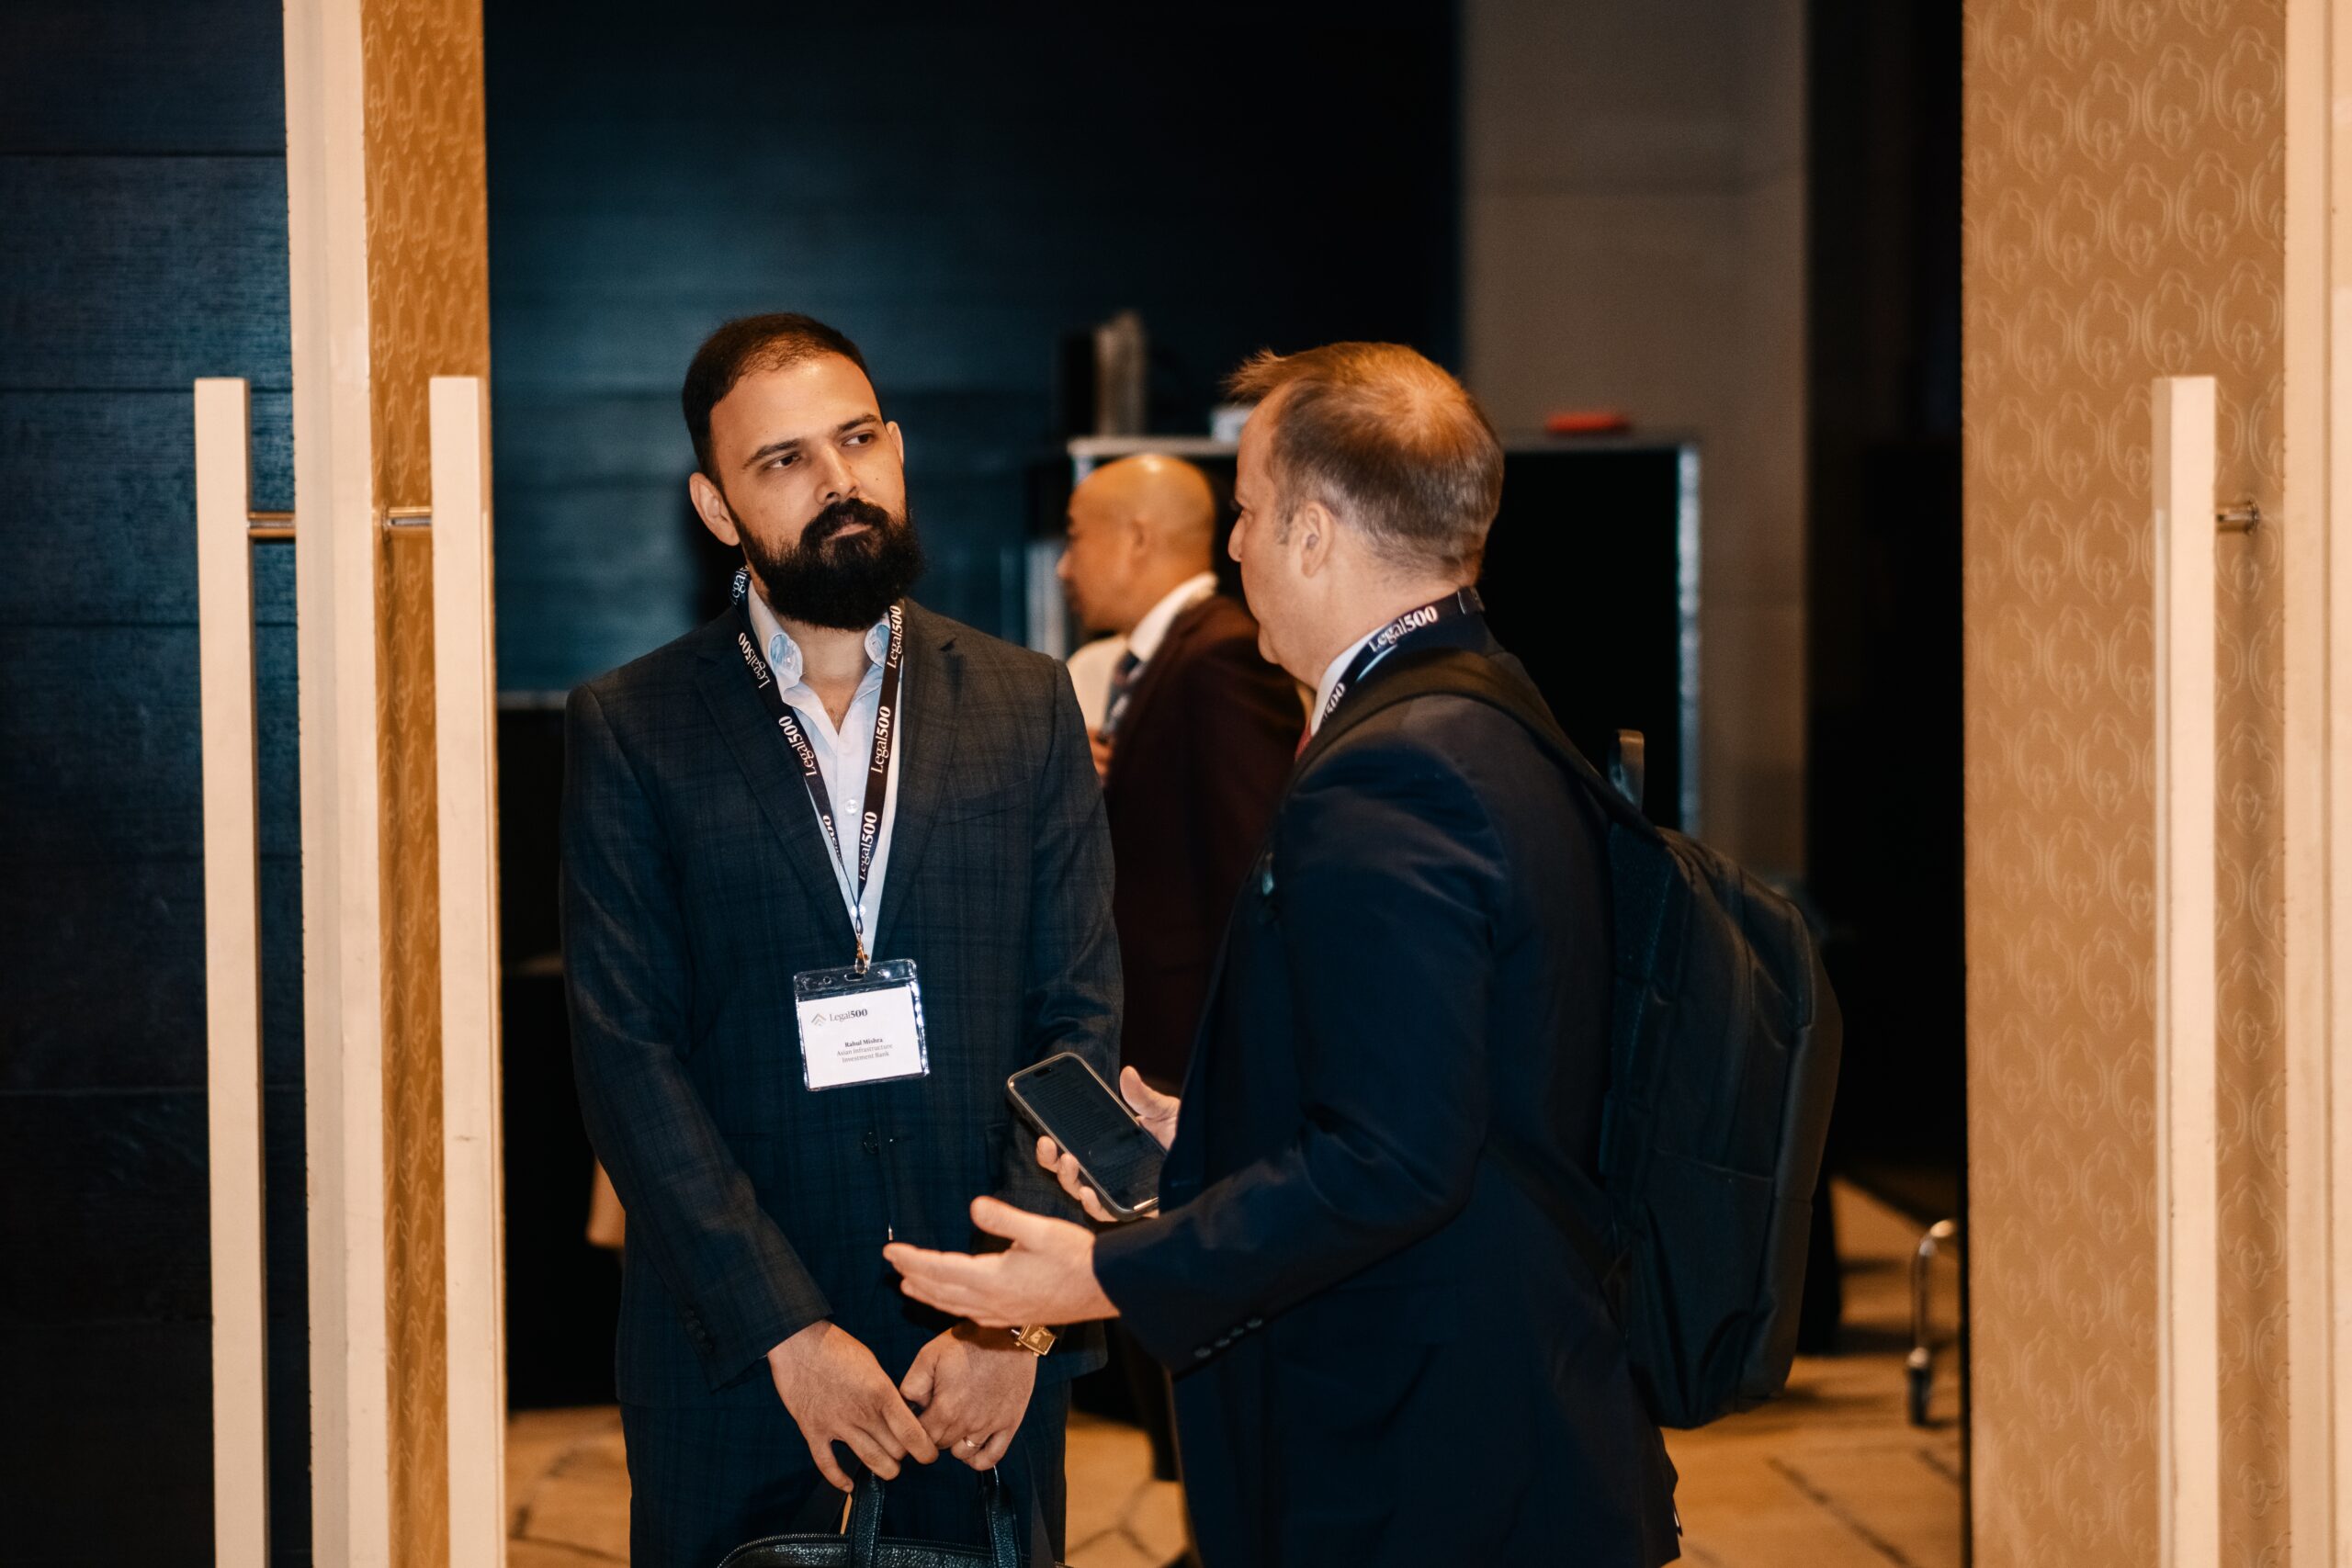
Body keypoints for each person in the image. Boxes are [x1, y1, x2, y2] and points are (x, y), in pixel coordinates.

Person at [885, 343, 1682, 1567]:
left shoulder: (1397, 768)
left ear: (1313, 533)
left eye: (1250, 511)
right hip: (1493, 1398)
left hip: (1426, 1447)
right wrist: (1212, 1135)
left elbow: (1392, 1162)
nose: (1236, 545)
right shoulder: (1488, 705)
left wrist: (1105, 1273)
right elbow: (1448, 1078)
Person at [562, 312, 1118, 1568]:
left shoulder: (1027, 702)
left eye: (858, 440)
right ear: (716, 507)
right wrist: (788, 1331)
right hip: (737, 1356)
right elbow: (626, 1056)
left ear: (898, 448)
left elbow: (1078, 1018)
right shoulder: (634, 727)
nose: (838, 481)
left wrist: (1011, 1322)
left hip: (981, 1353)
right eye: (785, 460)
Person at [1056, 454, 1300, 1091]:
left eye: (1075, 537)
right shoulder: (1162, 656)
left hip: (1194, 1046)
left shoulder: (1221, 654)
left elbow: (1249, 869)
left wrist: (1240, 1063)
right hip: (1165, 1037)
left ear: (1136, 538)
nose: (1063, 567)